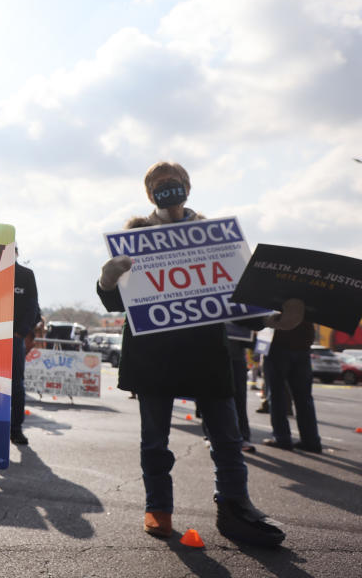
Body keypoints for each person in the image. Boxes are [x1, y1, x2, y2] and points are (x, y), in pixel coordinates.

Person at [96, 161, 285, 547]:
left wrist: (267, 318)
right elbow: (117, 303)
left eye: (176, 182)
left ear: (188, 186)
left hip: (205, 353)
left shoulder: (213, 234)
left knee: (228, 439)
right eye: (161, 184)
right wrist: (107, 278)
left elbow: (235, 296)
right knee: (155, 441)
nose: (170, 189)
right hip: (153, 356)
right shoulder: (134, 236)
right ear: (150, 192)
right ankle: (158, 509)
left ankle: (235, 506)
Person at [262, 316, 322, 453]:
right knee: (304, 397)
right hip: (303, 344)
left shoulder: (274, 296)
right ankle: (311, 440)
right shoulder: (310, 294)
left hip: (277, 344)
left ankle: (282, 437)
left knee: (276, 395)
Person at [11, 250, 40, 445]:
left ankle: (16, 429)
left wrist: (20, 333)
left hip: (15, 339)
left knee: (16, 385)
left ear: (16, 252)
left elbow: (33, 308)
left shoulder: (25, 274)